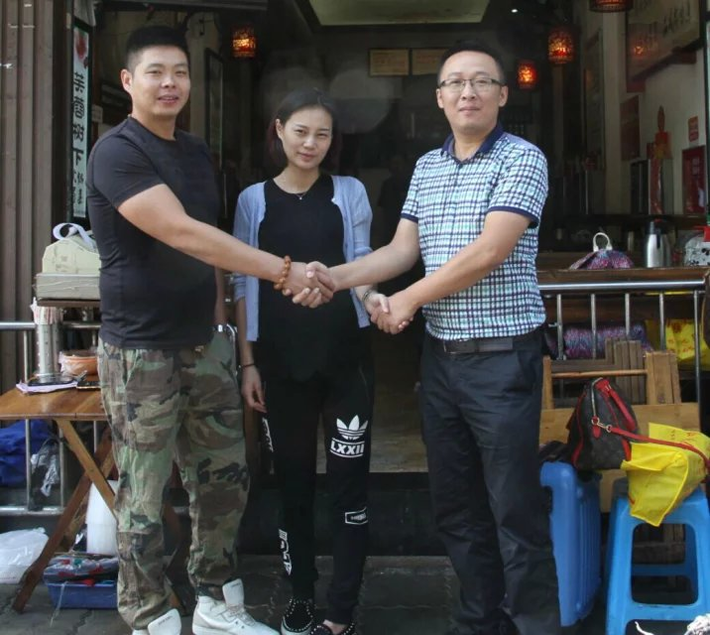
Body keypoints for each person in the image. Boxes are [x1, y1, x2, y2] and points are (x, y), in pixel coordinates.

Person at [307, 41, 562, 635]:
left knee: (514, 510)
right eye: (455, 83)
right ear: (440, 98)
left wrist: (409, 299)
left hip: (502, 360)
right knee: (456, 508)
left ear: (502, 94)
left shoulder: (522, 158)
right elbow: (402, 250)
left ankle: (533, 626)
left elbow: (490, 251)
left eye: (481, 81)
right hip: (442, 362)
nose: (468, 92)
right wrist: (335, 278)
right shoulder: (428, 167)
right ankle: (480, 622)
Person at [87, 25, 332, 635]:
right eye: (155, 72)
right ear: (129, 81)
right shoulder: (116, 152)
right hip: (141, 349)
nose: (170, 83)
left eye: (180, 72)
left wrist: (225, 321)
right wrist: (283, 271)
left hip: (206, 343)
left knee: (224, 479)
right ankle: (148, 612)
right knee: (144, 493)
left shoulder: (194, 151)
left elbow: (212, 244)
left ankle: (216, 599)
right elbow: (182, 232)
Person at [233, 88, 385, 635]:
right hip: (281, 363)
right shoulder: (253, 200)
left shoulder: (349, 192)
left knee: (349, 487)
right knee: (293, 484)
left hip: (346, 360)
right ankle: (300, 594)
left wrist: (374, 299)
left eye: (322, 134)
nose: (310, 144)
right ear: (279, 130)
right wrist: (248, 363)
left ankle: (341, 608)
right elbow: (242, 280)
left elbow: (363, 262)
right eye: (300, 131)